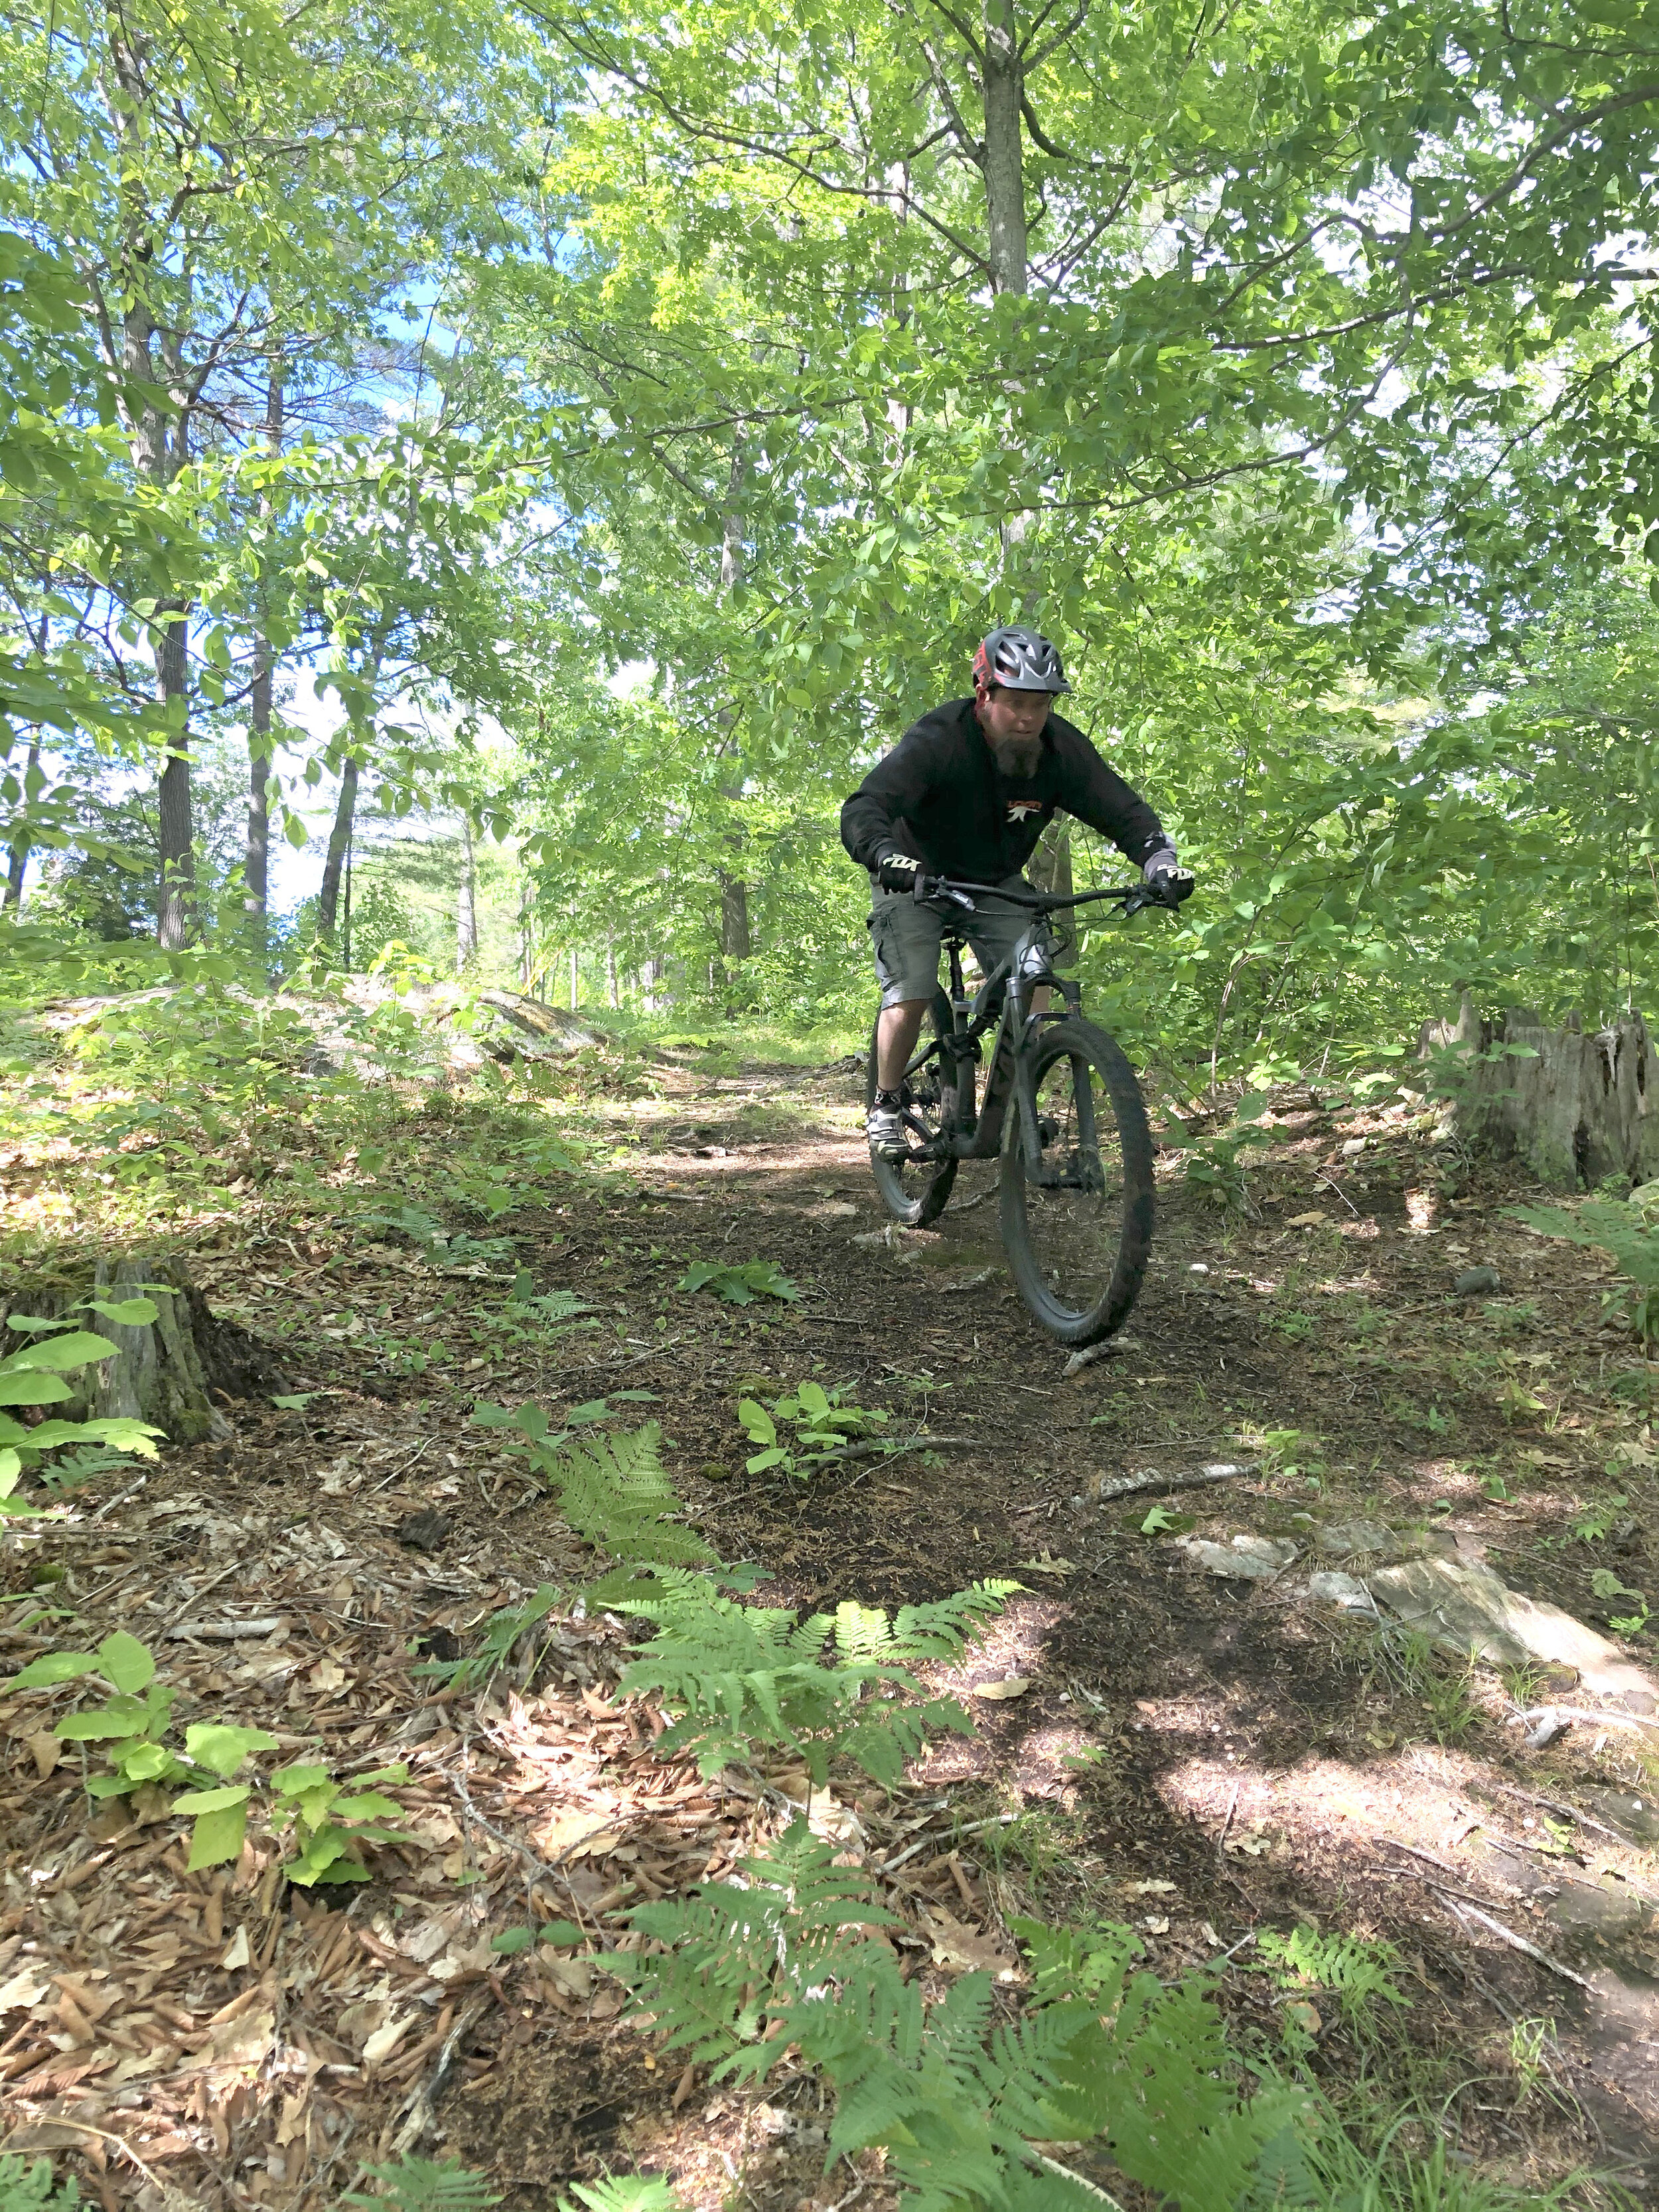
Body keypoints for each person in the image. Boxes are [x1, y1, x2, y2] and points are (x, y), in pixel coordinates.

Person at [839, 625, 1189, 1155]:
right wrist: (885, 855)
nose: (1028, 718)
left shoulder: (1058, 750)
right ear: (984, 695)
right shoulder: (941, 739)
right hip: (915, 874)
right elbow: (865, 806)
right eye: (1016, 704)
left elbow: (1122, 810)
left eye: (1040, 706)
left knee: (1035, 972)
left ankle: (1019, 1098)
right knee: (910, 989)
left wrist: (1159, 860)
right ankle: (886, 1102)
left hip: (996, 881)